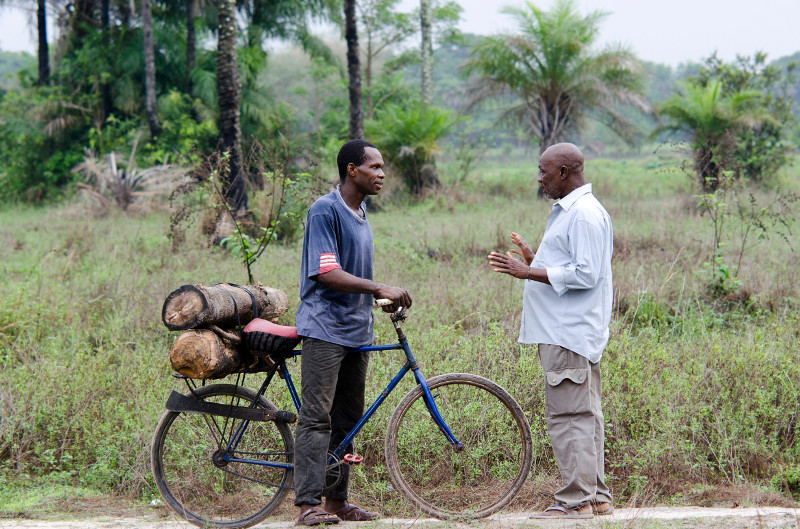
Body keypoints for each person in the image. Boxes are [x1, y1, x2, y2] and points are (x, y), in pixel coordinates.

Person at [487, 143, 614, 519]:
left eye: (543, 171)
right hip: (568, 332)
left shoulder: (584, 214)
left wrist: (528, 273)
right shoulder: (572, 212)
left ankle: (576, 502)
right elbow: (570, 265)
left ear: (563, 172)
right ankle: (597, 498)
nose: (539, 178)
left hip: (567, 334)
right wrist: (533, 258)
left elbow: (587, 274)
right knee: (585, 415)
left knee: (569, 417)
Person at [294, 139, 413, 526]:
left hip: (355, 330)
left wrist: (381, 300)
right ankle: (307, 505)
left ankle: (336, 502)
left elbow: (353, 275)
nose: (381, 174)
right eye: (374, 167)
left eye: (382, 168)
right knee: (316, 417)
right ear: (352, 170)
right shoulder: (325, 210)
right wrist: (378, 287)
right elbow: (327, 272)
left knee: (348, 420)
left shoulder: (360, 213)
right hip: (324, 329)